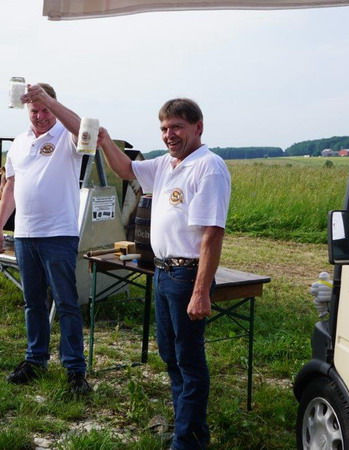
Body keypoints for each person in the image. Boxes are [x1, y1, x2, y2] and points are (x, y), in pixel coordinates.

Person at [97, 98, 231, 449]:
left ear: (198, 127)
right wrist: (105, 141)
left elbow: (212, 234)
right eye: (164, 128)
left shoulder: (208, 167)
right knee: (171, 356)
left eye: (177, 127)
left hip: (187, 276)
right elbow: (126, 169)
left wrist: (200, 291)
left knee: (189, 360)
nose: (169, 134)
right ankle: (189, 431)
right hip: (162, 273)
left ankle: (187, 441)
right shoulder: (165, 164)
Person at [0, 83, 91, 395]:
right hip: (25, 235)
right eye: (34, 110)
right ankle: (35, 360)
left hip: (59, 234)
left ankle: (75, 370)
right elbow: (10, 188)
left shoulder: (67, 135)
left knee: (66, 303)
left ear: (54, 106)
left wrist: (48, 100)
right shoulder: (18, 143)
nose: (40, 116)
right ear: (27, 110)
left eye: (45, 109)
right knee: (33, 302)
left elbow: (84, 129)